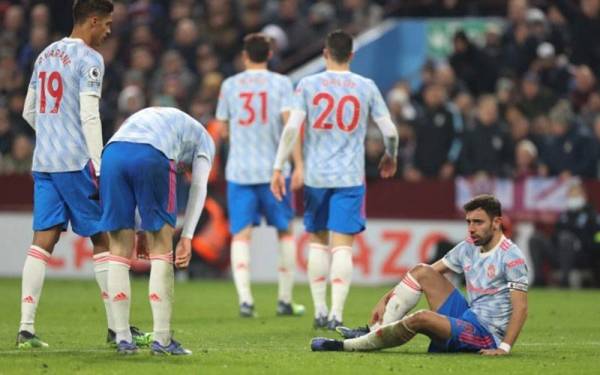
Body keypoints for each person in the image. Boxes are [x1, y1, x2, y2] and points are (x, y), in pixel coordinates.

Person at [16, 0, 149, 349]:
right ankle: (116, 328)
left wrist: (52, 132)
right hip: (76, 163)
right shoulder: (90, 59)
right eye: (106, 24)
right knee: (104, 240)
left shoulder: (45, 54)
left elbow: (30, 110)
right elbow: (90, 116)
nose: (108, 31)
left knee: (42, 242)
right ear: (92, 21)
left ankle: (26, 329)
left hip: (44, 161)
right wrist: (100, 165)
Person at [271, 30, 399, 330]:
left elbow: (291, 129)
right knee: (343, 246)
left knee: (317, 240)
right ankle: (337, 315)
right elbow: (390, 131)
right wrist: (390, 154)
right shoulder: (365, 86)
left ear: (325, 53)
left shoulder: (308, 85)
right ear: (352, 55)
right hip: (350, 177)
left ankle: (319, 310)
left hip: (316, 176)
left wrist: (279, 166)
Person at [311, 195, 529, 355]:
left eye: (478, 222)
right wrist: (387, 297)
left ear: (497, 223)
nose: (471, 228)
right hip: (468, 316)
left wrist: (503, 348)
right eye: (468, 222)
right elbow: (424, 274)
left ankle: (348, 346)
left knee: (421, 318)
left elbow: (521, 308)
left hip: (486, 335)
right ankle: (373, 330)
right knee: (421, 270)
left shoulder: (512, 257)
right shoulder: (468, 247)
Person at [100, 107, 214, 355]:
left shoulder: (159, 117)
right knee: (162, 248)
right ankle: (162, 340)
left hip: (112, 153)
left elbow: (134, 165)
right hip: (153, 153)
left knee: (118, 248)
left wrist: (141, 229)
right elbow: (199, 186)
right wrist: (187, 237)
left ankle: (122, 338)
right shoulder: (205, 139)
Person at [215, 33, 305, 318]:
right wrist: (299, 164)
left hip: (240, 171)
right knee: (284, 231)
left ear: (245, 56)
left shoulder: (229, 85)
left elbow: (223, 129)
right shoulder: (281, 83)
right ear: (269, 56)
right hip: (274, 171)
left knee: (241, 234)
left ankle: (245, 300)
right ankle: (285, 300)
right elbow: (290, 127)